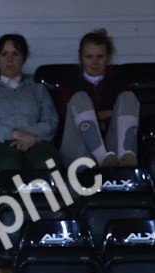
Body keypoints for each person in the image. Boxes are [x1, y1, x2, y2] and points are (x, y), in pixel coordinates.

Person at [0, 33, 61, 179]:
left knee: (47, 161)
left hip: (36, 143)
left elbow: (51, 122)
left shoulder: (38, 90)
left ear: (24, 59)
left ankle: (43, 202)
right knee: (8, 162)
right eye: (4, 54)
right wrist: (13, 134)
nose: (10, 60)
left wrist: (29, 137)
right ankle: (5, 202)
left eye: (15, 54)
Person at [56, 29, 141, 168]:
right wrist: (108, 114)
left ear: (108, 57)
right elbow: (69, 118)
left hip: (112, 150)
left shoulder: (118, 82)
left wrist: (93, 117)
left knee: (128, 97)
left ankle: (126, 155)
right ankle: (101, 157)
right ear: (81, 58)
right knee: (80, 98)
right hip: (79, 149)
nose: (94, 62)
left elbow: (130, 109)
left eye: (100, 56)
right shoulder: (69, 84)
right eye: (89, 57)